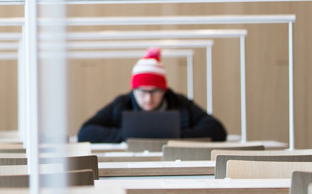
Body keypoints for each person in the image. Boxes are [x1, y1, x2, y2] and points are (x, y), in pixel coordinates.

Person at [78, 47, 227, 143]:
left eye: (155, 91)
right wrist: (130, 134)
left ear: (164, 90)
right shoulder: (121, 103)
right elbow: (85, 133)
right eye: (142, 92)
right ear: (133, 90)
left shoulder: (180, 102)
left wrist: (174, 134)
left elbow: (217, 130)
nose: (148, 98)